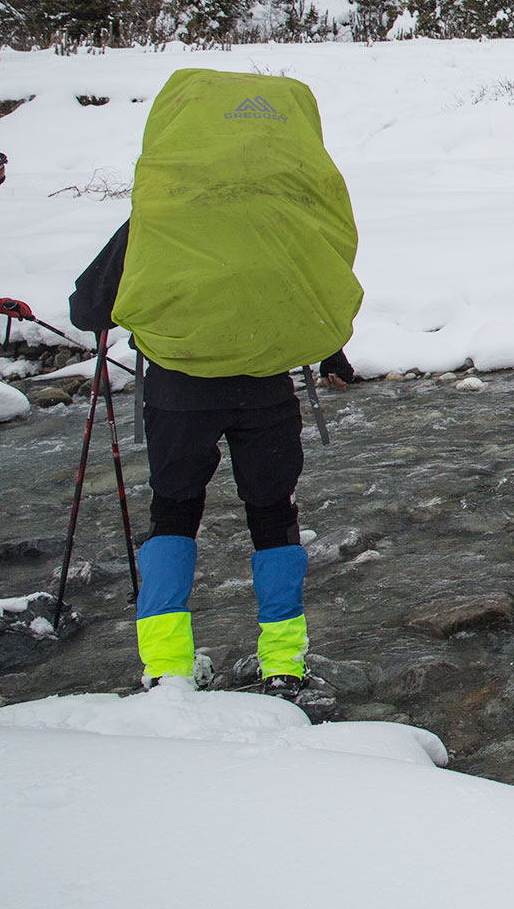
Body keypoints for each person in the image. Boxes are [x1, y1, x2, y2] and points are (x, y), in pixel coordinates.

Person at [71, 222, 354, 704]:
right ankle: (283, 666)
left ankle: (166, 668)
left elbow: (88, 310)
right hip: (263, 388)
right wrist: (331, 353)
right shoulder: (270, 213)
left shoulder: (161, 211)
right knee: (273, 518)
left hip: (178, 391)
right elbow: (311, 290)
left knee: (173, 514)